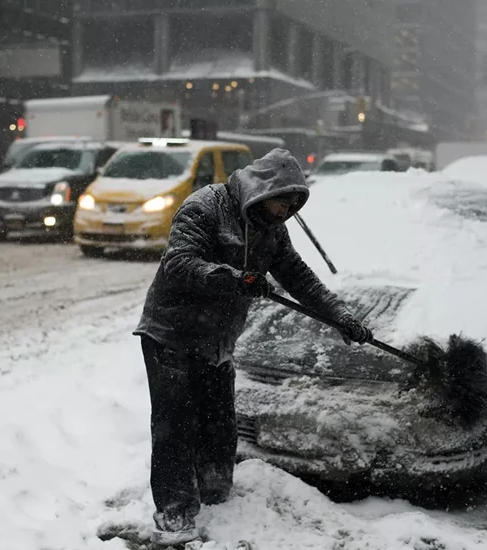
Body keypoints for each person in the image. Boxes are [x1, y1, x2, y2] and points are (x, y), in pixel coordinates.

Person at [133, 148, 373, 545]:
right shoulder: (206, 207)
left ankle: (215, 492)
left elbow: (300, 279)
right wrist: (232, 277)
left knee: (218, 422)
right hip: (170, 332)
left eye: (292, 206)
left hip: (218, 339)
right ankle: (175, 511)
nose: (284, 212)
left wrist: (341, 318)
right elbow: (179, 262)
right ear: (263, 191)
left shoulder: (272, 228)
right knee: (175, 424)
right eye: (282, 202)